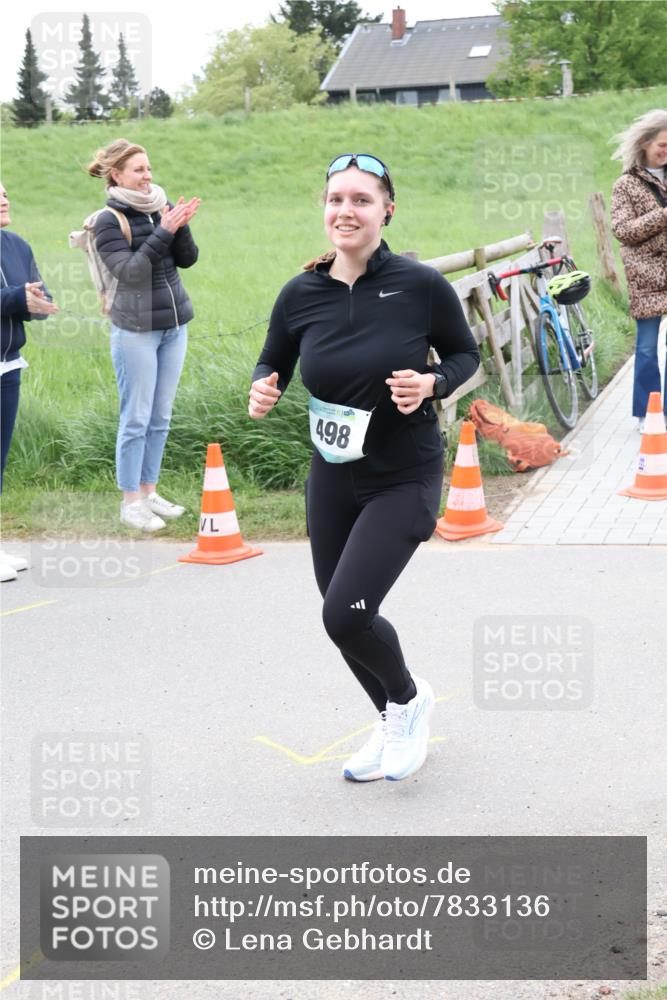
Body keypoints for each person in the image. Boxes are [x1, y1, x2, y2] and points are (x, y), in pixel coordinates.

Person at [249, 154, 480, 782]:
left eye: (361, 200)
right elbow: (272, 360)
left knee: (345, 613)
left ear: (387, 211)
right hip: (332, 475)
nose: (345, 211)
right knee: (343, 618)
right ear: (324, 209)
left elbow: (466, 356)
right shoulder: (300, 293)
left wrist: (433, 383)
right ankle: (392, 717)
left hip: (404, 475)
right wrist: (261, 388)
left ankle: (407, 700)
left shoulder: (419, 285)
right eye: (335, 200)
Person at [87, 139, 200, 531]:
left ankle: (149, 491)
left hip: (174, 325)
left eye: (149, 168)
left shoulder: (160, 207)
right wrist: (164, 231)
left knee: (161, 415)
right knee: (135, 417)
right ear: (116, 175)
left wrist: (178, 227)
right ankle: (130, 501)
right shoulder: (106, 220)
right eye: (138, 170)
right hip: (135, 330)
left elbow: (187, 259)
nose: (147, 175)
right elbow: (131, 272)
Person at [0, 180, 58, 583]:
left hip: (8, 366)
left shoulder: (17, 244)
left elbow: (34, 291)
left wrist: (39, 304)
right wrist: (21, 297)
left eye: (5, 192)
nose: (4, 199)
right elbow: (13, 295)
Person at [610, 109, 667, 429]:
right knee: (646, 349)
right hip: (646, 277)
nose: (666, 151)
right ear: (645, 143)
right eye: (662, 144)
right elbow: (623, 230)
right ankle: (648, 413)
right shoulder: (626, 185)